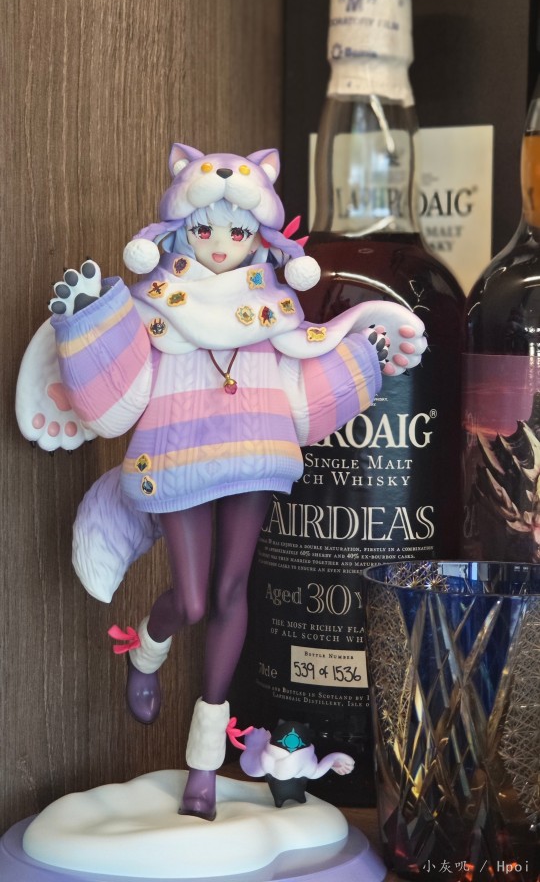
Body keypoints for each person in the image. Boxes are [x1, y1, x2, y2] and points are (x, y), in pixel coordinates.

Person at [17, 143, 427, 820]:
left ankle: (204, 762)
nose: (220, 243)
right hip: (176, 453)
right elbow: (119, 398)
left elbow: (304, 397)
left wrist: (363, 358)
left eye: (237, 232)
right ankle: (148, 649)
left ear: (258, 239)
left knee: (235, 590)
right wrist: (89, 323)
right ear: (180, 233)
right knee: (194, 598)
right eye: (204, 229)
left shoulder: (277, 312)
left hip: (256, 450)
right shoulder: (155, 308)